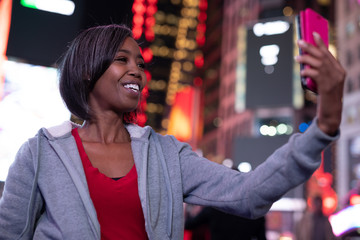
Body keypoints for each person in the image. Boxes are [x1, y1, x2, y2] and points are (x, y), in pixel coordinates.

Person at [0, 24, 345, 239]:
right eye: (123, 60)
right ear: (88, 71)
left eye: (140, 63)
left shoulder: (165, 154)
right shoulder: (41, 152)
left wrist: (325, 123)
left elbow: (248, 193)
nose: (137, 70)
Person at [185, 205, 267, 240]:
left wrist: (189, 212)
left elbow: (188, 225)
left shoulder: (213, 208)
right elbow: (262, 238)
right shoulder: (254, 212)